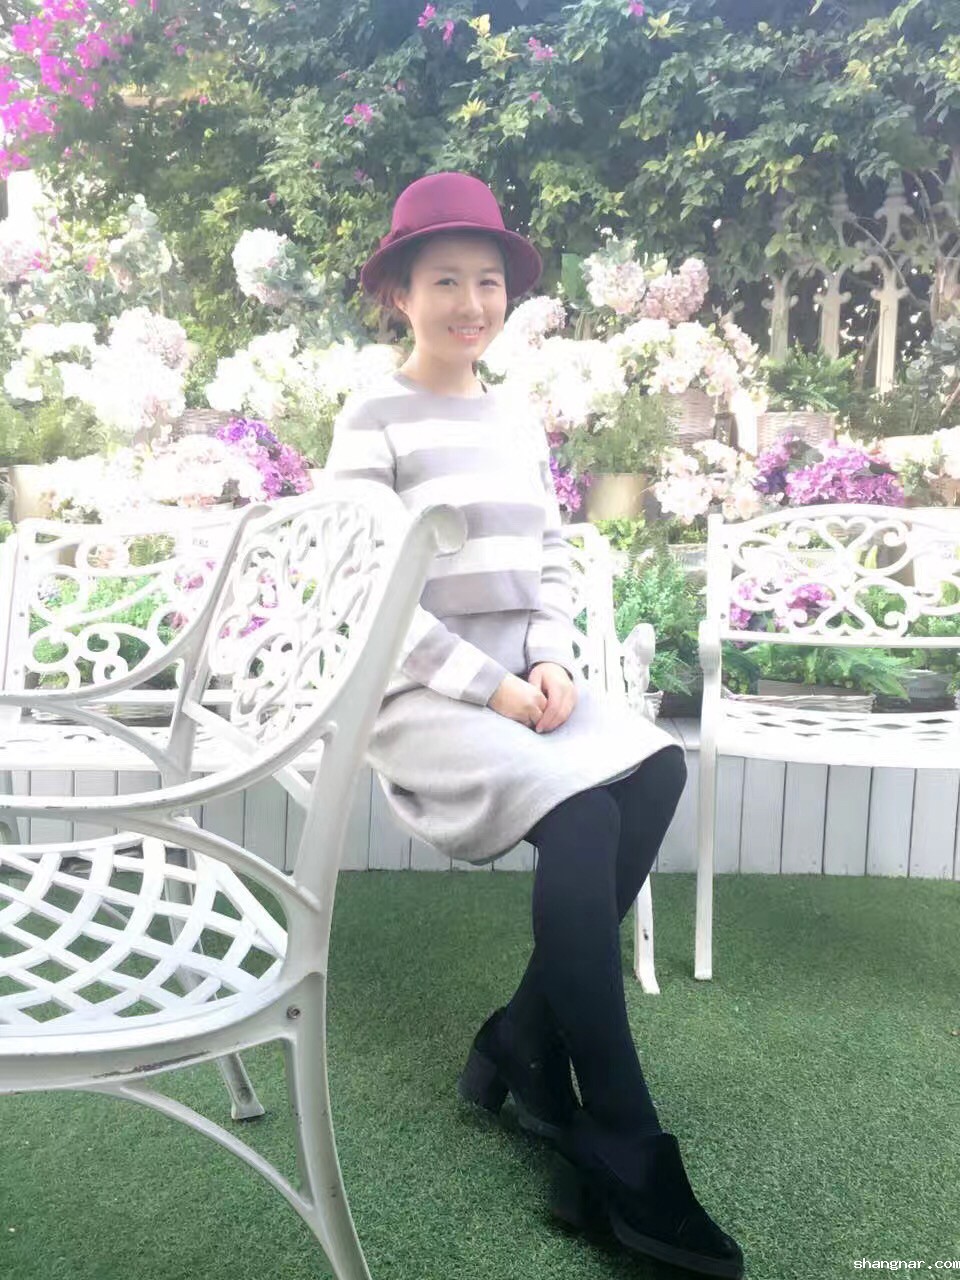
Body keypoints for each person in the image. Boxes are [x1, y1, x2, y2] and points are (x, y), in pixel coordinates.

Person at [324, 171, 744, 1279]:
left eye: (488, 281)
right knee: (581, 811)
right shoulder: (371, 418)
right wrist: (489, 685)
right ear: (399, 294)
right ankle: (621, 1136)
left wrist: (550, 656)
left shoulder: (512, 414)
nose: (471, 302)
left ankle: (520, 1038)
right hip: (422, 692)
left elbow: (552, 552)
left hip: (527, 677)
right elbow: (366, 588)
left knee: (652, 770)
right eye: (444, 280)